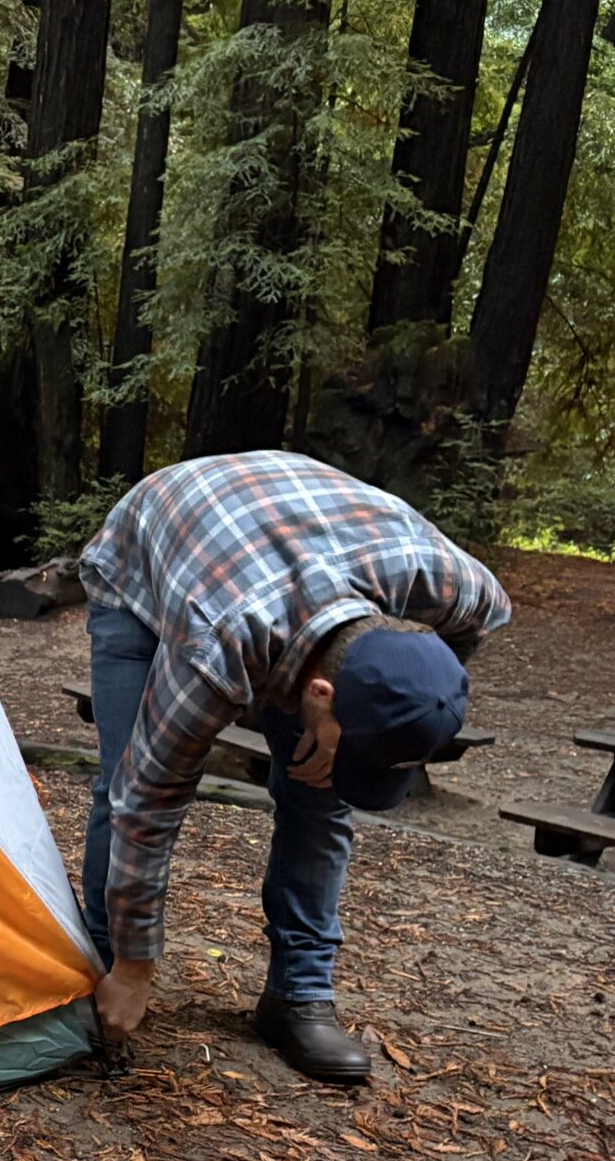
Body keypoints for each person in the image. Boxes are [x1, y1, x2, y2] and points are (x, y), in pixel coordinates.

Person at [78, 451, 512, 1082]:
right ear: (320, 692)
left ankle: (297, 995)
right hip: (147, 558)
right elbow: (146, 805)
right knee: (120, 782)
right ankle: (100, 972)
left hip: (300, 549)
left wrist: (407, 693)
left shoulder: (441, 577)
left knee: (321, 797)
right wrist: (136, 969)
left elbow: (491, 613)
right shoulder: (218, 646)